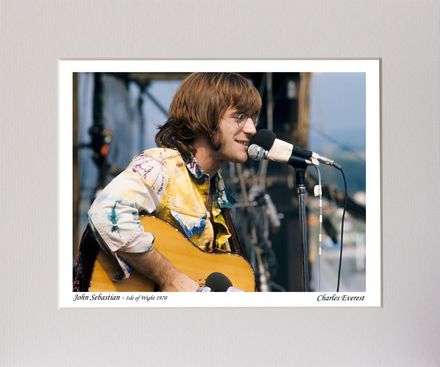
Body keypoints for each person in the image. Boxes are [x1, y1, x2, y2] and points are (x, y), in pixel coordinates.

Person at [73, 72, 262, 292]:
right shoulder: (163, 166)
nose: (252, 129)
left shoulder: (216, 191)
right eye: (239, 116)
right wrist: (168, 277)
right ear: (205, 117)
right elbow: (106, 213)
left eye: (252, 119)